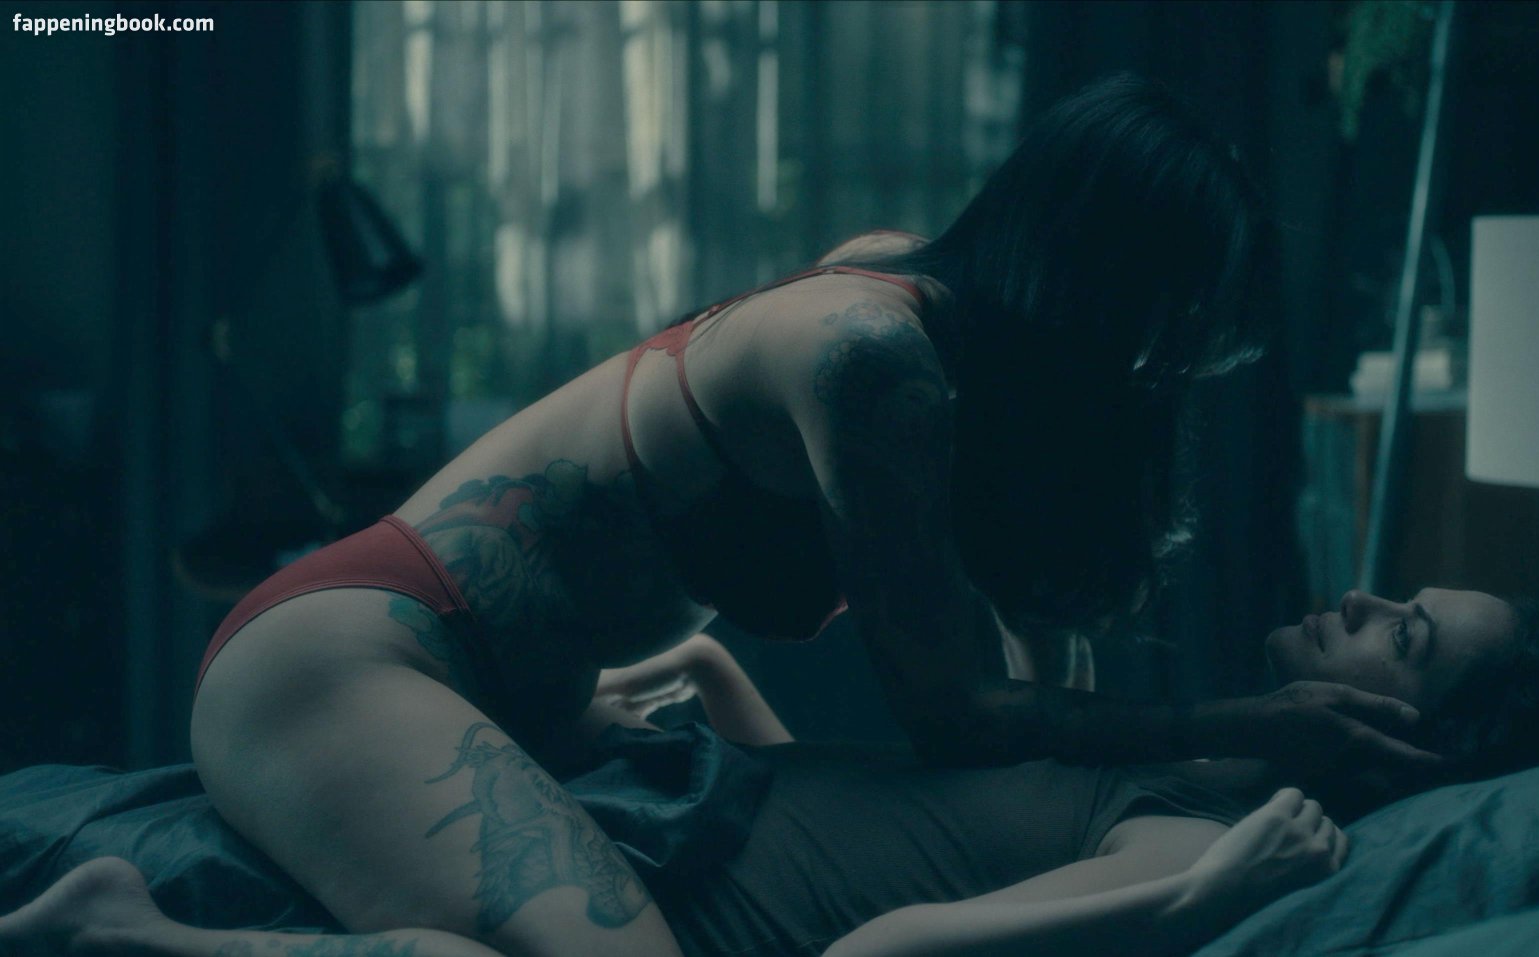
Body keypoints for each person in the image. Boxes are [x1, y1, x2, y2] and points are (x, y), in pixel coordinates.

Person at [163, 71, 1449, 957]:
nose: (1152, 376)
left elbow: (1021, 666)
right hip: (352, 656)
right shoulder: (870, 358)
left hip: (498, 690)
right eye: (1159, 340)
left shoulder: (944, 331)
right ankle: (127, 933)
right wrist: (1244, 724)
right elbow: (956, 714)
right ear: (1098, 283)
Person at [0, 588, 1539, 957]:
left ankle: (128, 936)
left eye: (1408, 636)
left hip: (637, 894)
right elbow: (892, 831)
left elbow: (872, 944)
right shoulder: (1194, 757)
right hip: (650, 800)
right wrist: (719, 679)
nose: (1366, 600)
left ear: (1418, 742)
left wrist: (1194, 901)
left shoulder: (1212, 833)